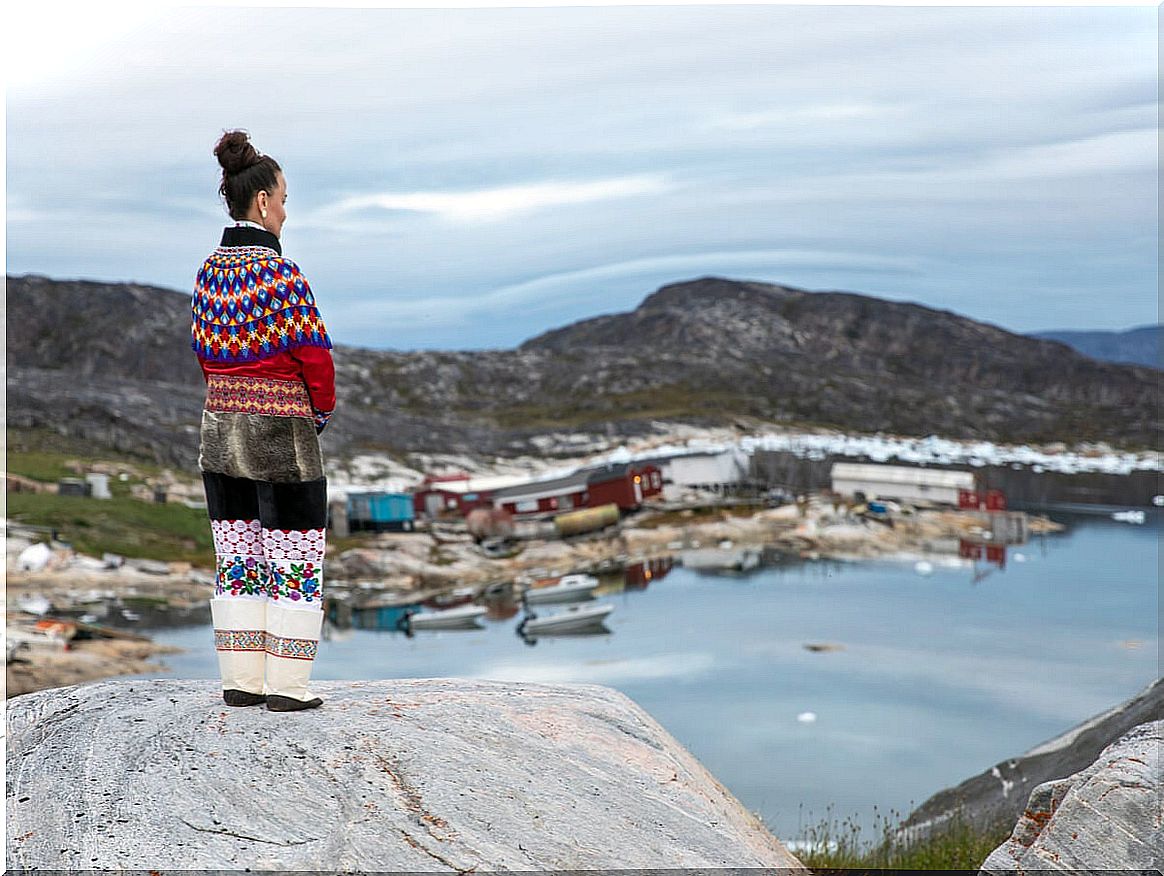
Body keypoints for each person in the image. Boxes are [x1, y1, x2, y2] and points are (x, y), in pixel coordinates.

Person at [192, 129, 336, 712]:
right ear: (261, 203)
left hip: (220, 430)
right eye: (282, 199)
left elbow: (204, 350)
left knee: (238, 556)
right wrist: (318, 410)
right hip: (282, 435)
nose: (284, 210)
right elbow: (314, 356)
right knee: (294, 561)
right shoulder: (282, 276)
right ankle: (287, 689)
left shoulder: (207, 271)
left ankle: (241, 683)